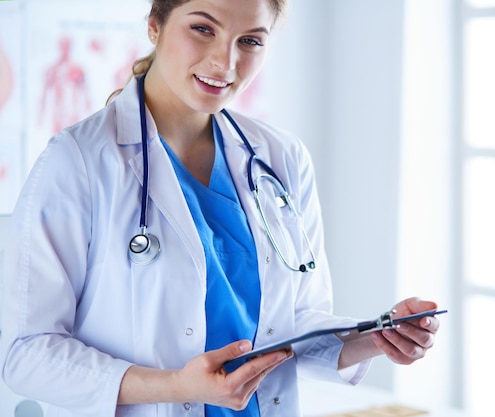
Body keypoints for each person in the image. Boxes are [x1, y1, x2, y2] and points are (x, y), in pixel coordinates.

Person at [0, 1, 441, 416]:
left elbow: (296, 323)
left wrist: (375, 339)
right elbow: (27, 354)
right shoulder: (77, 161)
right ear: (155, 23)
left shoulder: (281, 157)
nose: (224, 63)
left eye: (250, 41)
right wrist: (177, 386)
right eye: (202, 29)